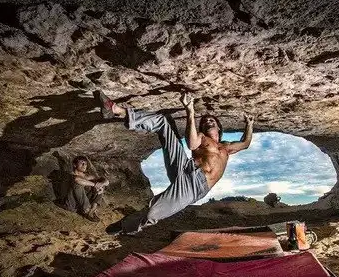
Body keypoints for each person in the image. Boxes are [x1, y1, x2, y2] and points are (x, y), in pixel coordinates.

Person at [98, 91, 254, 235]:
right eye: (205, 121)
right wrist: (190, 111)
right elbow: (192, 145)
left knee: (153, 212)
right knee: (163, 123)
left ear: (219, 127)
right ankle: (117, 110)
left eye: (211, 120)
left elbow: (245, 143)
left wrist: (250, 125)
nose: (208, 121)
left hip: (194, 187)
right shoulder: (201, 137)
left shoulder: (227, 147)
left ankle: (125, 226)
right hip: (186, 166)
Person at [63, 155, 109, 222]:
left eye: (86, 164)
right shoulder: (70, 175)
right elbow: (77, 180)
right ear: (75, 165)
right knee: (77, 183)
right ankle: (86, 210)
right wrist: (95, 185)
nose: (84, 165)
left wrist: (101, 184)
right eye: (82, 163)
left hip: (81, 203)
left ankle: (93, 209)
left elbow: (106, 181)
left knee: (101, 184)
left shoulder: (87, 176)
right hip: (72, 204)